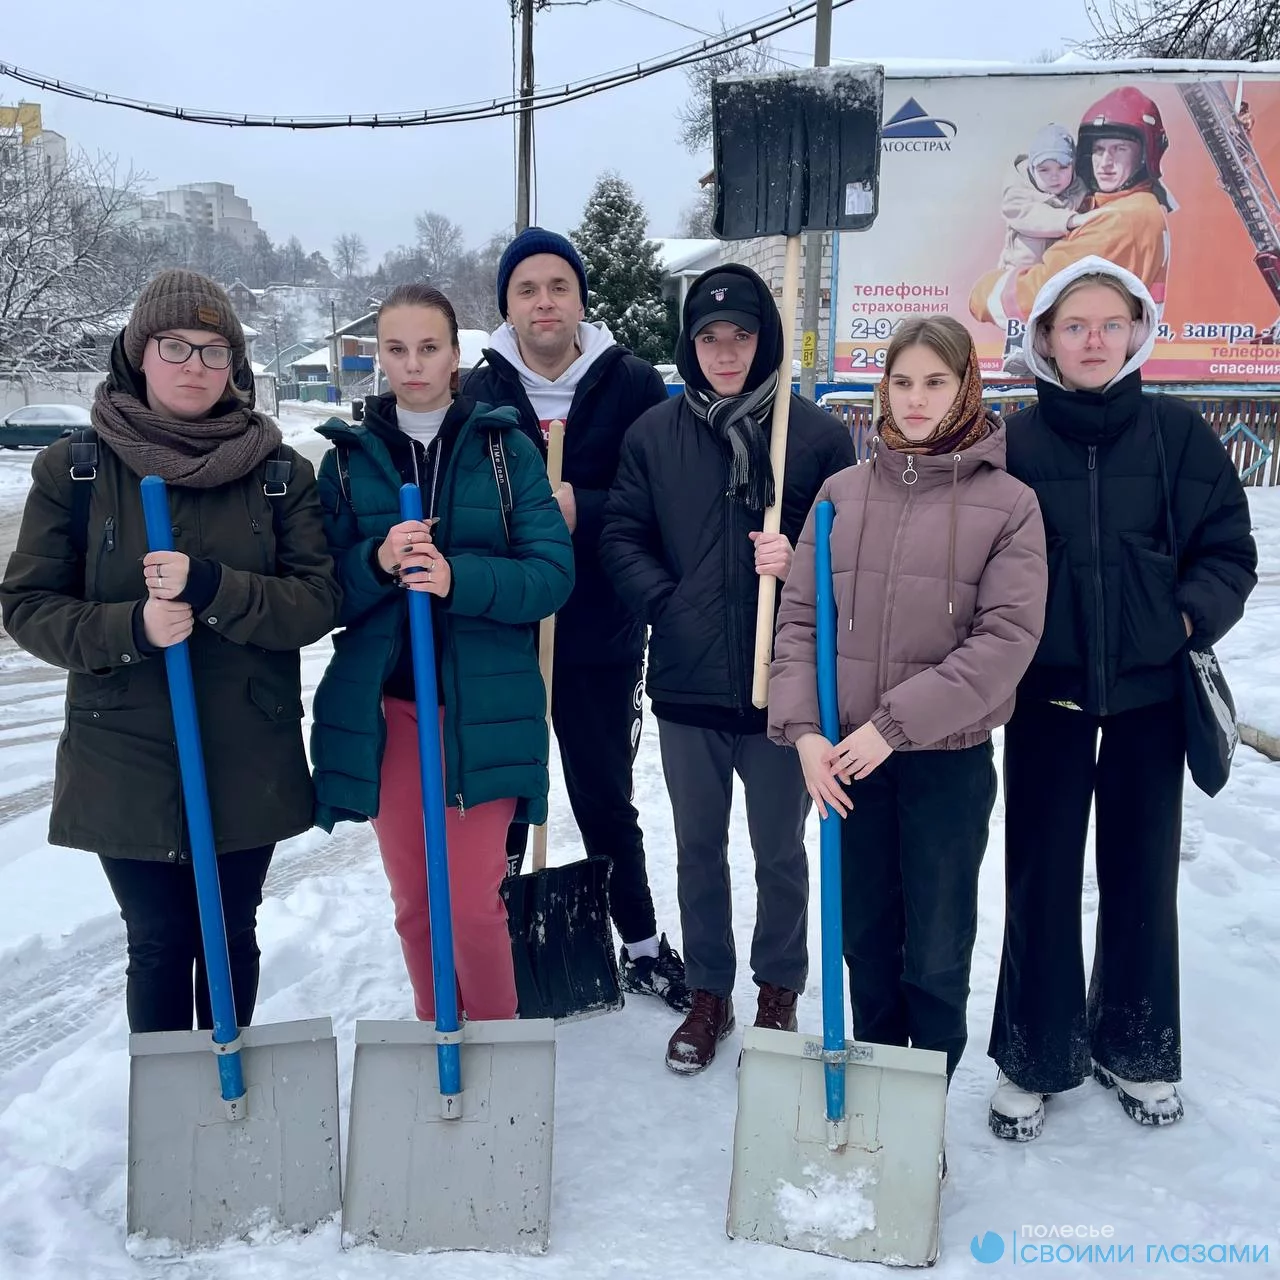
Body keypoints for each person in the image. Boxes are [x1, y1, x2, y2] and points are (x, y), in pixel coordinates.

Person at [0, 269, 340, 1034]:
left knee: (230, 934)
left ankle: (232, 1103)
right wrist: (132, 629)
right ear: (138, 353)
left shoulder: (280, 475)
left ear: (237, 366)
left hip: (246, 748)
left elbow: (317, 603)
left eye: (215, 351)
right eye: (175, 345)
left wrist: (217, 587)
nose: (195, 365)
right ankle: (171, 1119)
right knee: (157, 943)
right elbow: (25, 607)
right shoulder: (77, 470)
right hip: (122, 752)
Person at [988, 256, 1257, 1140]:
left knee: (1141, 877)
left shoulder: (1178, 437)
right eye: (1074, 327)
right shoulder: (1014, 446)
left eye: (1109, 324)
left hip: (1148, 702)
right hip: (1047, 704)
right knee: (1040, 878)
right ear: (1046, 342)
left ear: (1138, 330)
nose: (1093, 341)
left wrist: (1185, 621)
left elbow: (1228, 551)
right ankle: (1034, 1054)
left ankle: (1135, 1046)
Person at [769, 316, 1047, 1087]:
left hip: (944, 765)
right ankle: (876, 1093)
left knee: (933, 948)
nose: (917, 399)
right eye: (902, 382)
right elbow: (798, 623)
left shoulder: (1010, 503)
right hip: (848, 765)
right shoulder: (839, 497)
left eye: (936, 382)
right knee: (866, 939)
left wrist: (894, 725)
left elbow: (1006, 641)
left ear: (966, 387)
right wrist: (803, 735)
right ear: (882, 388)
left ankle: (922, 1104)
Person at [600, 265, 856, 1073]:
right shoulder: (654, 436)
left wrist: (804, 557)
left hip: (783, 688)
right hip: (688, 687)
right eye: (709, 337)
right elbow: (620, 537)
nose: (725, 352)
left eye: (741, 336)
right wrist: (668, 603)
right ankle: (710, 991)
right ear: (690, 344)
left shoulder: (813, 438)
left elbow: (852, 556)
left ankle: (778, 985)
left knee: (780, 849)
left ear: (764, 340)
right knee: (698, 847)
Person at [310, 283, 574, 1022]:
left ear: (456, 354)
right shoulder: (346, 461)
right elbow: (321, 592)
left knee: (471, 903)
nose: (413, 364)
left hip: (482, 709)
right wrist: (375, 561)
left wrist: (459, 577)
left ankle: (491, 1054)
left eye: (429, 347)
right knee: (416, 905)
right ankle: (439, 1038)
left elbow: (552, 575)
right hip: (387, 711)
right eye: (396, 349)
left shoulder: (502, 449)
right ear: (379, 357)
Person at [464, 227, 688, 1011]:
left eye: (558, 286)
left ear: (581, 299)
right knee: (505, 798)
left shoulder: (630, 386)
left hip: (597, 631)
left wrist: (582, 507)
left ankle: (642, 941)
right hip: (504, 633)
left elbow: (662, 498)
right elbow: (459, 507)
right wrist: (528, 514)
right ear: (508, 306)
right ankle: (497, 943)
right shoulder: (480, 394)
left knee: (601, 793)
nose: (544, 301)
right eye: (527, 289)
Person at [972, 87, 1174, 326]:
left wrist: (984, 291)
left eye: (1120, 149)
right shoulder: (1126, 203)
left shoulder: (1122, 218)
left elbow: (1040, 293)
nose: (1105, 163)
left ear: (1143, 155)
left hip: (1091, 353)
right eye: (1098, 150)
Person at [997, 123, 1092, 270]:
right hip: (1016, 274)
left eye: (1063, 167)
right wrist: (1070, 220)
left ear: (1073, 166)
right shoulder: (1017, 195)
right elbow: (1031, 215)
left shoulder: (1078, 189)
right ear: (1032, 169)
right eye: (1044, 170)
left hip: (1055, 274)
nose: (1054, 177)